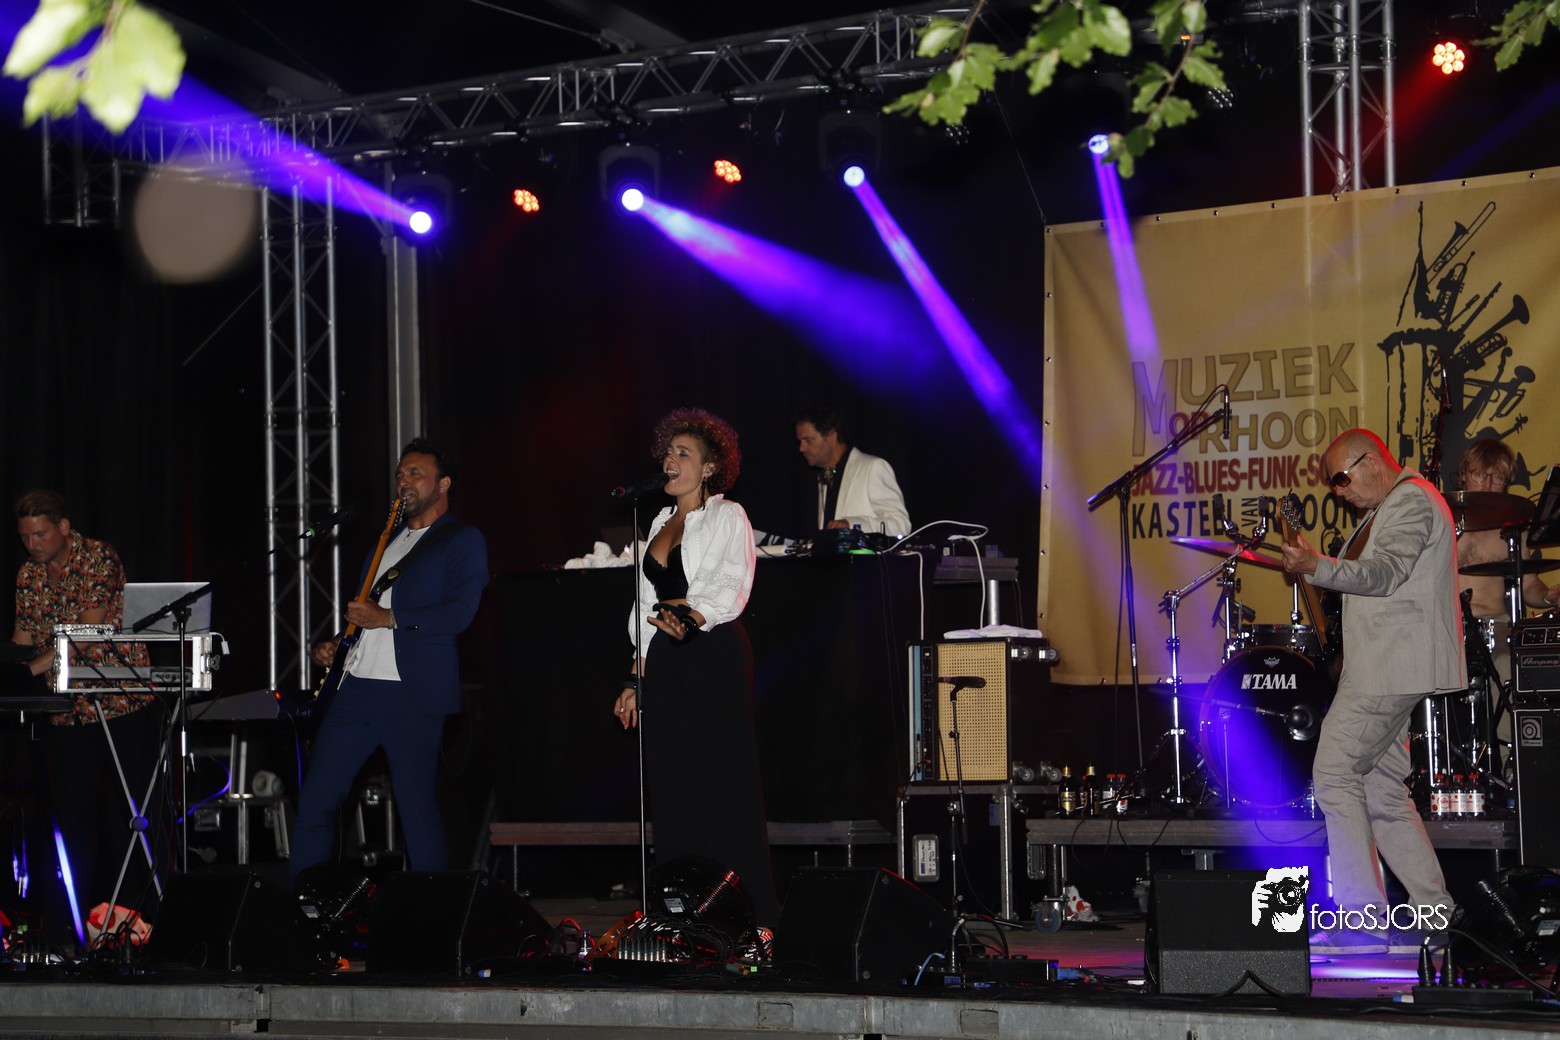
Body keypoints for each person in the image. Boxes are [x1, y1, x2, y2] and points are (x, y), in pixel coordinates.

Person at [1280, 430, 1462, 954]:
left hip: (1387, 668)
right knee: (1382, 792)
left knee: (1334, 775)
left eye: (1341, 478)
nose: (1338, 491)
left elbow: (1384, 575)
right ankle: (1439, 919)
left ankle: (1361, 923)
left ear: (1371, 460)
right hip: (1386, 667)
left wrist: (1316, 566)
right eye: (1332, 484)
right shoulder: (1387, 507)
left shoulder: (1410, 501)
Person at [291, 438, 488, 884]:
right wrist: (339, 643)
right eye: (401, 474)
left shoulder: (461, 539)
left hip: (410, 693)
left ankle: (432, 912)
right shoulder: (385, 543)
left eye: (416, 473)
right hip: (357, 687)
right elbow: (367, 611)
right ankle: (304, 903)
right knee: (317, 799)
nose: (404, 481)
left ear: (443, 484)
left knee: (416, 809)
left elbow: (460, 612)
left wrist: (389, 618)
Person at [612, 408, 778, 927]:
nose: (670, 459)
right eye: (668, 451)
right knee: (674, 782)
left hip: (711, 650)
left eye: (683, 453)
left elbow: (729, 583)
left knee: (720, 781)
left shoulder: (728, 516)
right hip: (666, 653)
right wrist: (635, 677)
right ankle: (683, 913)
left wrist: (689, 619)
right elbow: (646, 603)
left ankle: (744, 915)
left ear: (709, 468)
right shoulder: (658, 521)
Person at [10, 489, 160, 953]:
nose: (32, 544)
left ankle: (144, 922)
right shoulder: (29, 574)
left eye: (40, 534)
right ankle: (73, 928)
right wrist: (11, 668)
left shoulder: (98, 557)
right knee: (71, 819)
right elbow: (23, 637)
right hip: (66, 712)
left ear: (63, 527)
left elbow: (90, 630)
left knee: (132, 817)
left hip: (122, 704)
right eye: (25, 536)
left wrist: (30, 669)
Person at [1453, 438, 1559, 621]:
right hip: (1447, 626)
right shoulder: (1443, 521)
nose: (1487, 484)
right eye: (1479, 474)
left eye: (1497, 477)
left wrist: (1548, 596)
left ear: (1506, 483)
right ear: (1463, 475)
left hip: (1496, 624)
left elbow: (1528, 584)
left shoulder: (1512, 528)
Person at [793, 406, 910, 538]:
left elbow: (901, 525)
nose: (802, 448)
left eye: (808, 440)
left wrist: (851, 525)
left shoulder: (873, 467)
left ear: (831, 435)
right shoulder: (826, 476)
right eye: (800, 441)